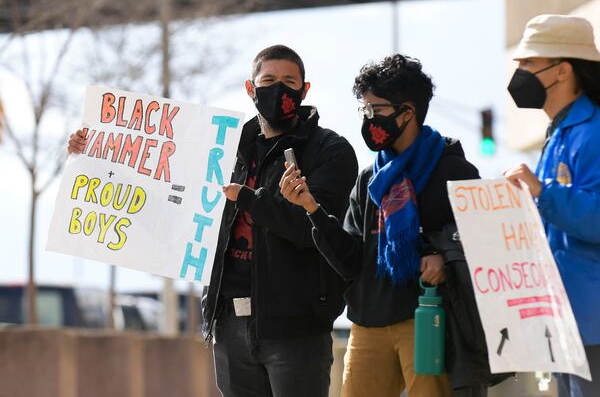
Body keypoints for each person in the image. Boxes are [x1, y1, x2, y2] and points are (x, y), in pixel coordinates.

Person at [68, 44, 358, 397]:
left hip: (295, 328)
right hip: (229, 324)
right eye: (268, 80)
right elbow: (163, 198)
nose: (279, 90)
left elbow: (312, 229)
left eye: (289, 81)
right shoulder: (224, 147)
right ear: (251, 89)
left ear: (304, 90)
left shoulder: (330, 151)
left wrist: (249, 199)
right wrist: (95, 156)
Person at [280, 54, 488, 397]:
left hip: (428, 320)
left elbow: (481, 245)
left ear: (407, 112)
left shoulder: (454, 172)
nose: (368, 119)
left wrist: (441, 256)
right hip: (368, 321)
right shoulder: (370, 179)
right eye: (364, 110)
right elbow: (350, 260)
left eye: (375, 109)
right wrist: (311, 208)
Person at [503, 14, 600, 397]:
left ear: (562, 70)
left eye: (528, 63)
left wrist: (542, 193)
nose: (520, 73)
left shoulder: (593, 132)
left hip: (591, 319)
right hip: (565, 317)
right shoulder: (559, 133)